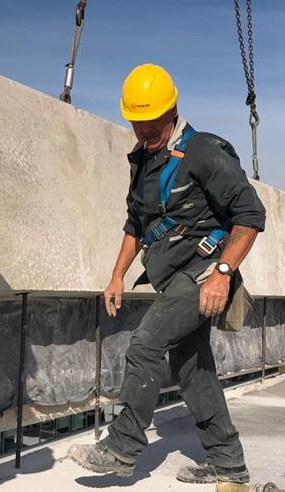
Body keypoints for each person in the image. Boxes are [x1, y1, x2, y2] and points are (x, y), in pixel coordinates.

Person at [68, 63, 266, 491]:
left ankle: (122, 447)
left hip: (202, 272)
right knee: (192, 367)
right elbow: (135, 224)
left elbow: (251, 216)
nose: (144, 132)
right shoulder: (142, 160)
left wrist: (223, 273)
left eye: (152, 124)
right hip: (172, 276)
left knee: (146, 343)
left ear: (172, 110)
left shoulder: (205, 151)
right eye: (137, 124)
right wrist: (117, 275)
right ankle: (228, 464)